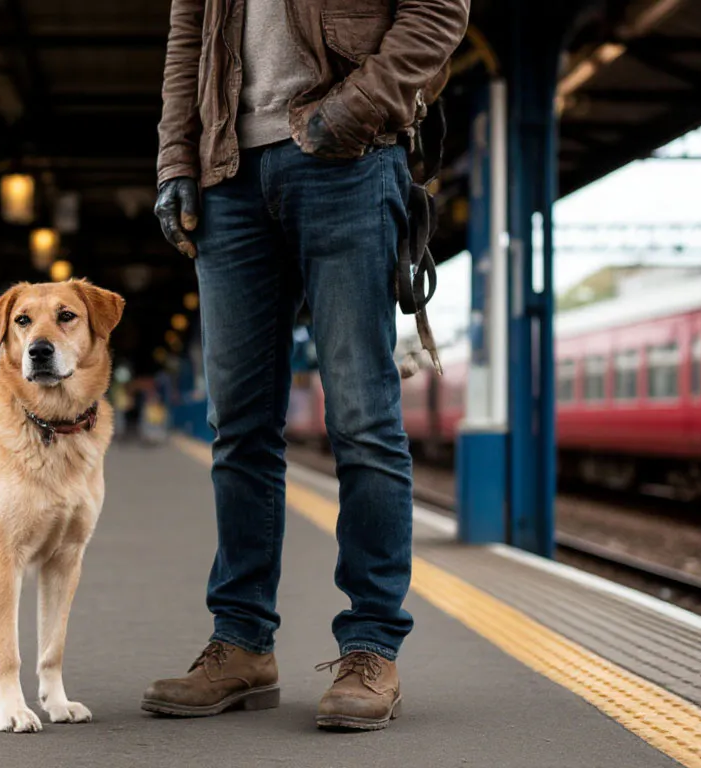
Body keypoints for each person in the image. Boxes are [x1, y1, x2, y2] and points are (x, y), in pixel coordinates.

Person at [141, 0, 469, 730]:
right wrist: (176, 157)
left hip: (347, 160)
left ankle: (371, 646)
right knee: (239, 426)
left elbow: (437, 11)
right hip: (227, 172)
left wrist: (353, 110)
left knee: (361, 415)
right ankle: (241, 644)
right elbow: (187, 34)